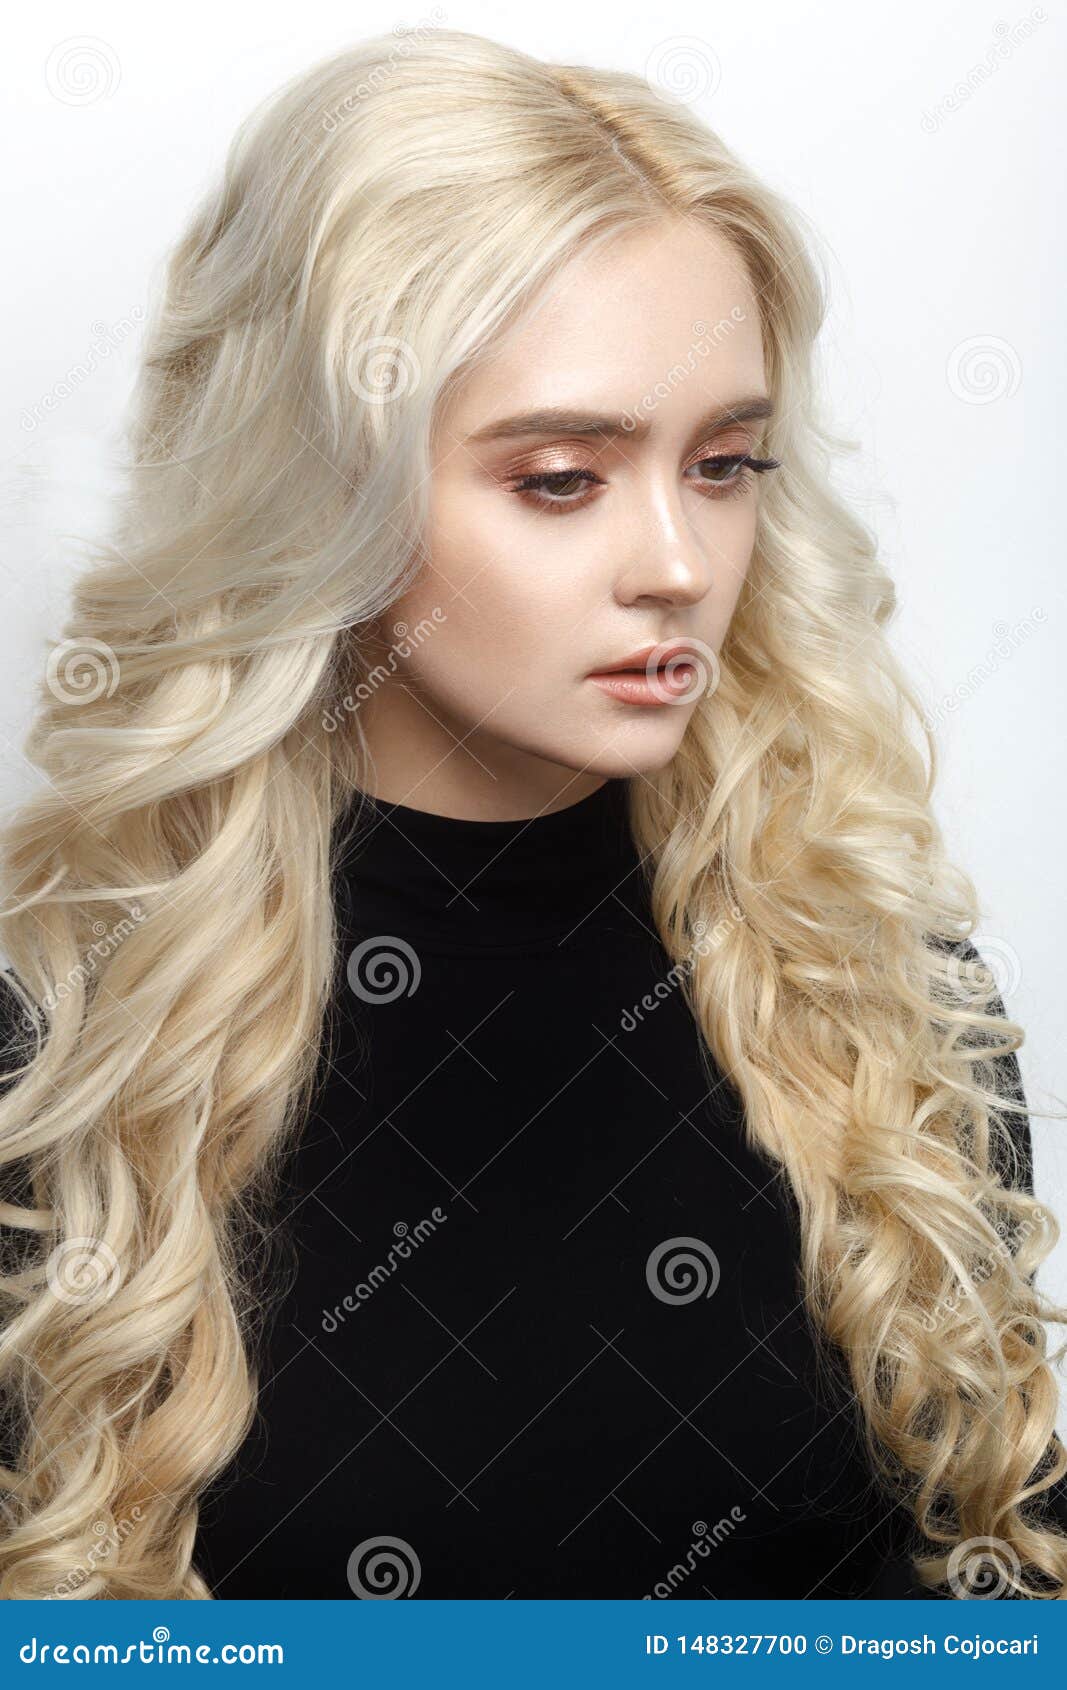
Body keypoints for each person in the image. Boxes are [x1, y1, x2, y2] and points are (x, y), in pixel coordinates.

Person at [0, 28, 1065, 1601]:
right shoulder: (70, 1049)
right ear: (321, 482)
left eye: (725, 462)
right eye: (563, 477)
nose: (682, 563)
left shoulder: (877, 1004)